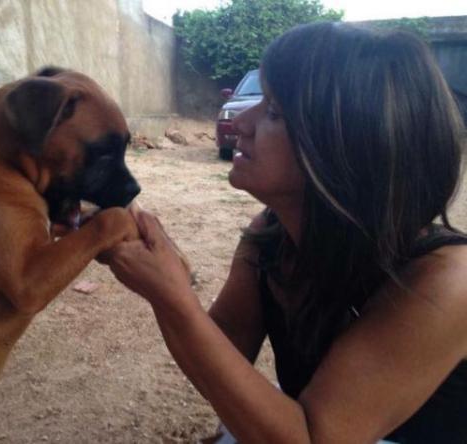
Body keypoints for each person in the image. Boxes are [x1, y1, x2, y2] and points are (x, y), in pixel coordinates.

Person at [102, 22, 467, 443]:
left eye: (274, 111)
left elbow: (314, 438)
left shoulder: (446, 279)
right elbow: (224, 350)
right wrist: (159, 269)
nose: (240, 120)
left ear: (344, 141)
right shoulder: (272, 234)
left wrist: (174, 299)